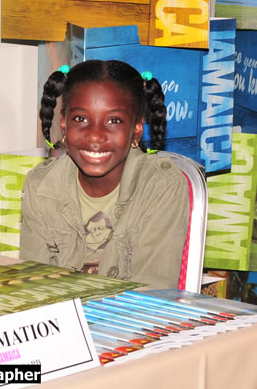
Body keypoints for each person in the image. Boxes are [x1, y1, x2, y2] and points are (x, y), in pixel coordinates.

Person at [20, 60, 190, 289]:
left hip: (127, 319)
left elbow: (151, 296)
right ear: (63, 123)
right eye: (80, 119)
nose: (95, 136)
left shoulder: (161, 188)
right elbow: (33, 285)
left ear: (137, 129)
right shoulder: (39, 186)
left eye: (114, 121)